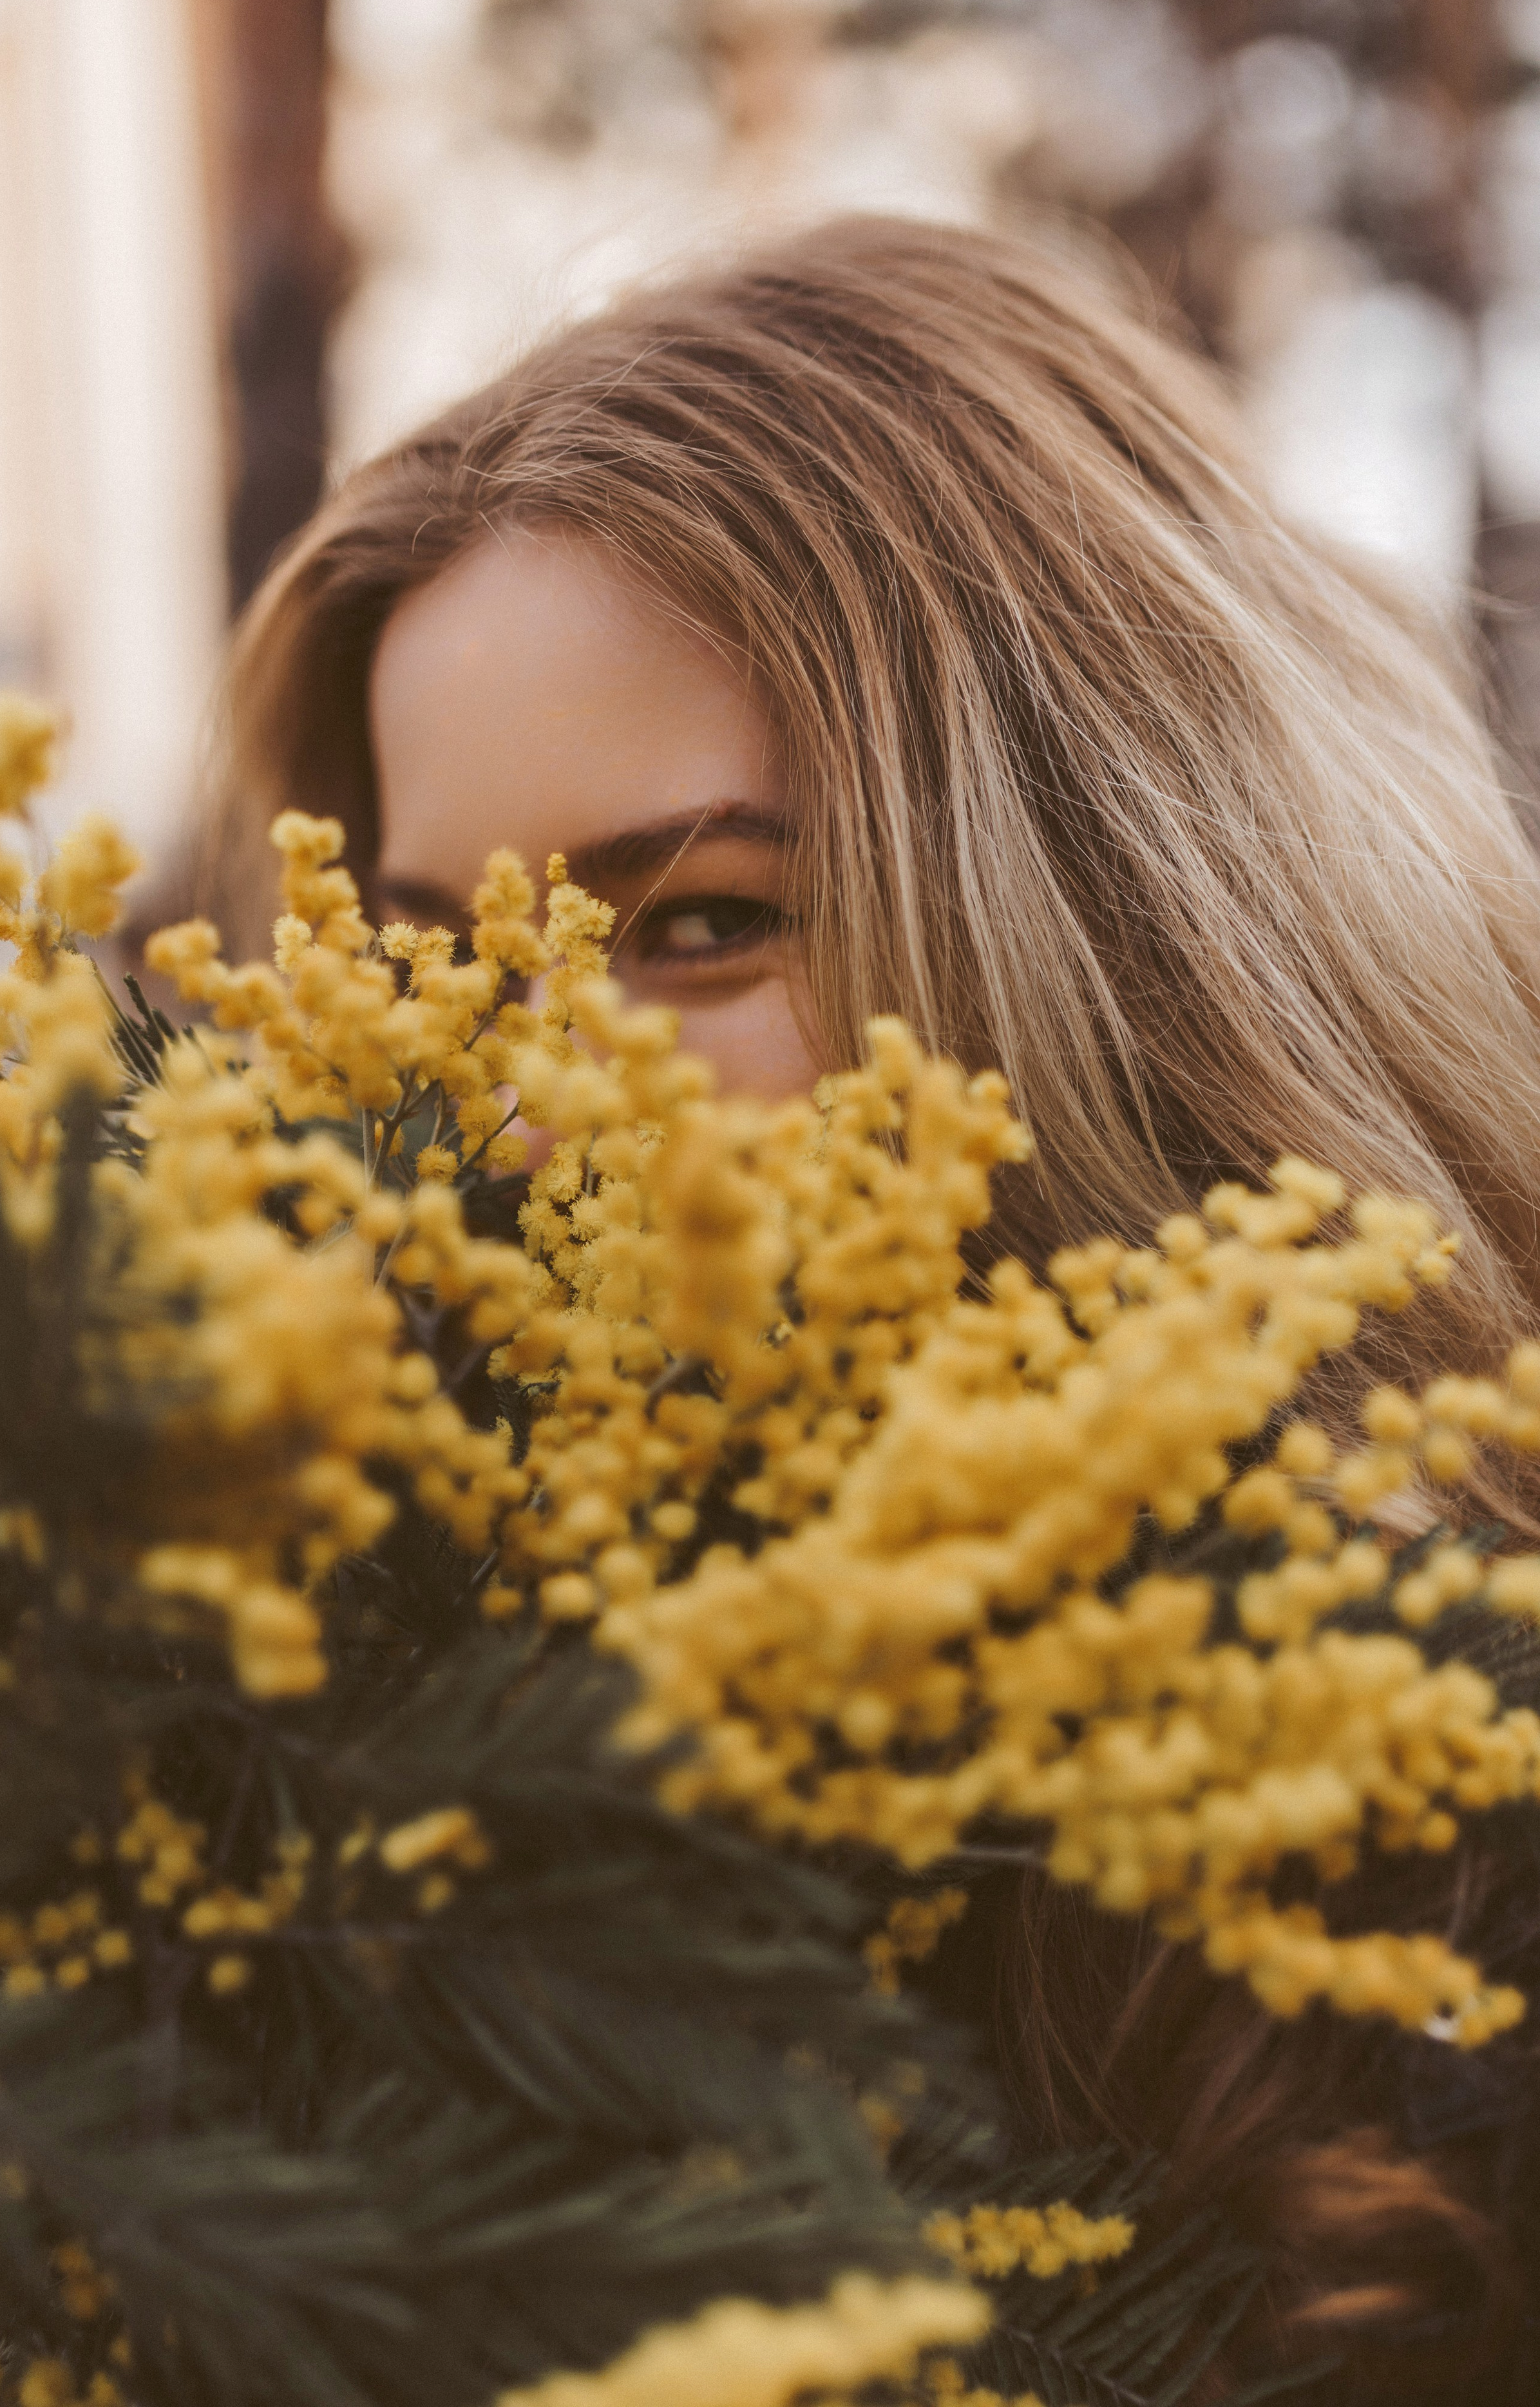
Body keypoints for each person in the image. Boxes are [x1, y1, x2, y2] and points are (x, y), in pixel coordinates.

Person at [207, 216, 1540, 2401]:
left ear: (1121, 931)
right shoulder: (299, 1822)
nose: (530, 1103)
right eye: (439, 968)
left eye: (706, 924)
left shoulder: (1457, 1897)